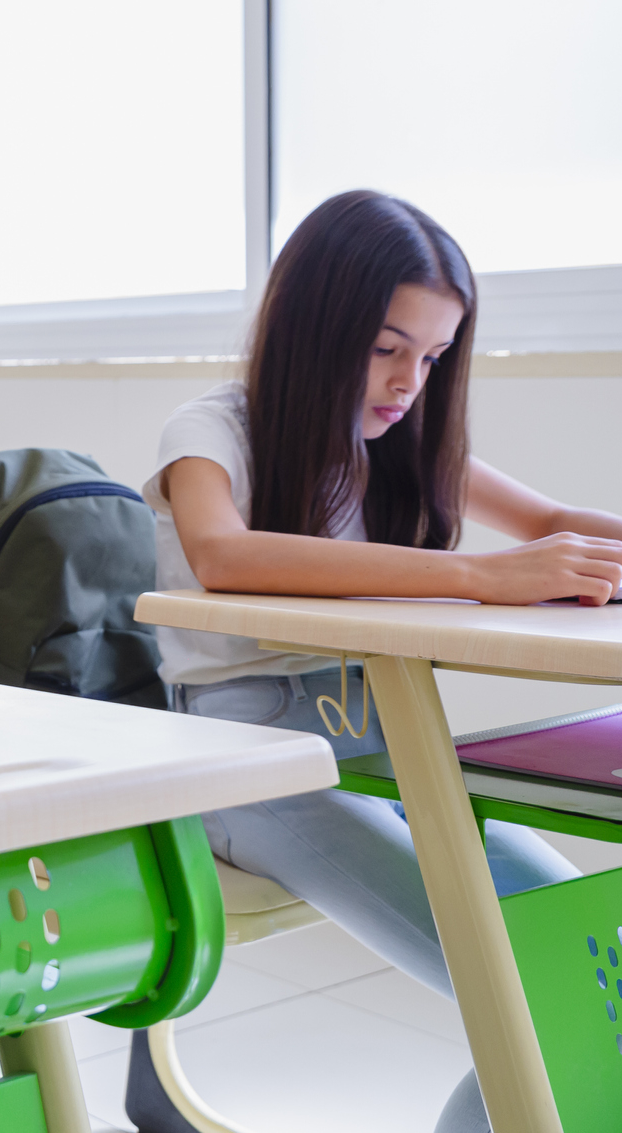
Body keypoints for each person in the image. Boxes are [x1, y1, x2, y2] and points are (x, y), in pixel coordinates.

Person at [129, 190, 622, 1133]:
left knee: (590, 957)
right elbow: (223, 555)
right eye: (386, 347)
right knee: (536, 991)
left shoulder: (397, 444)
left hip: (390, 754)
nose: (407, 382)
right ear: (315, 327)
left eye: (432, 356)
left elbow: (552, 522)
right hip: (250, 770)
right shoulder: (211, 433)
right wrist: (478, 575)